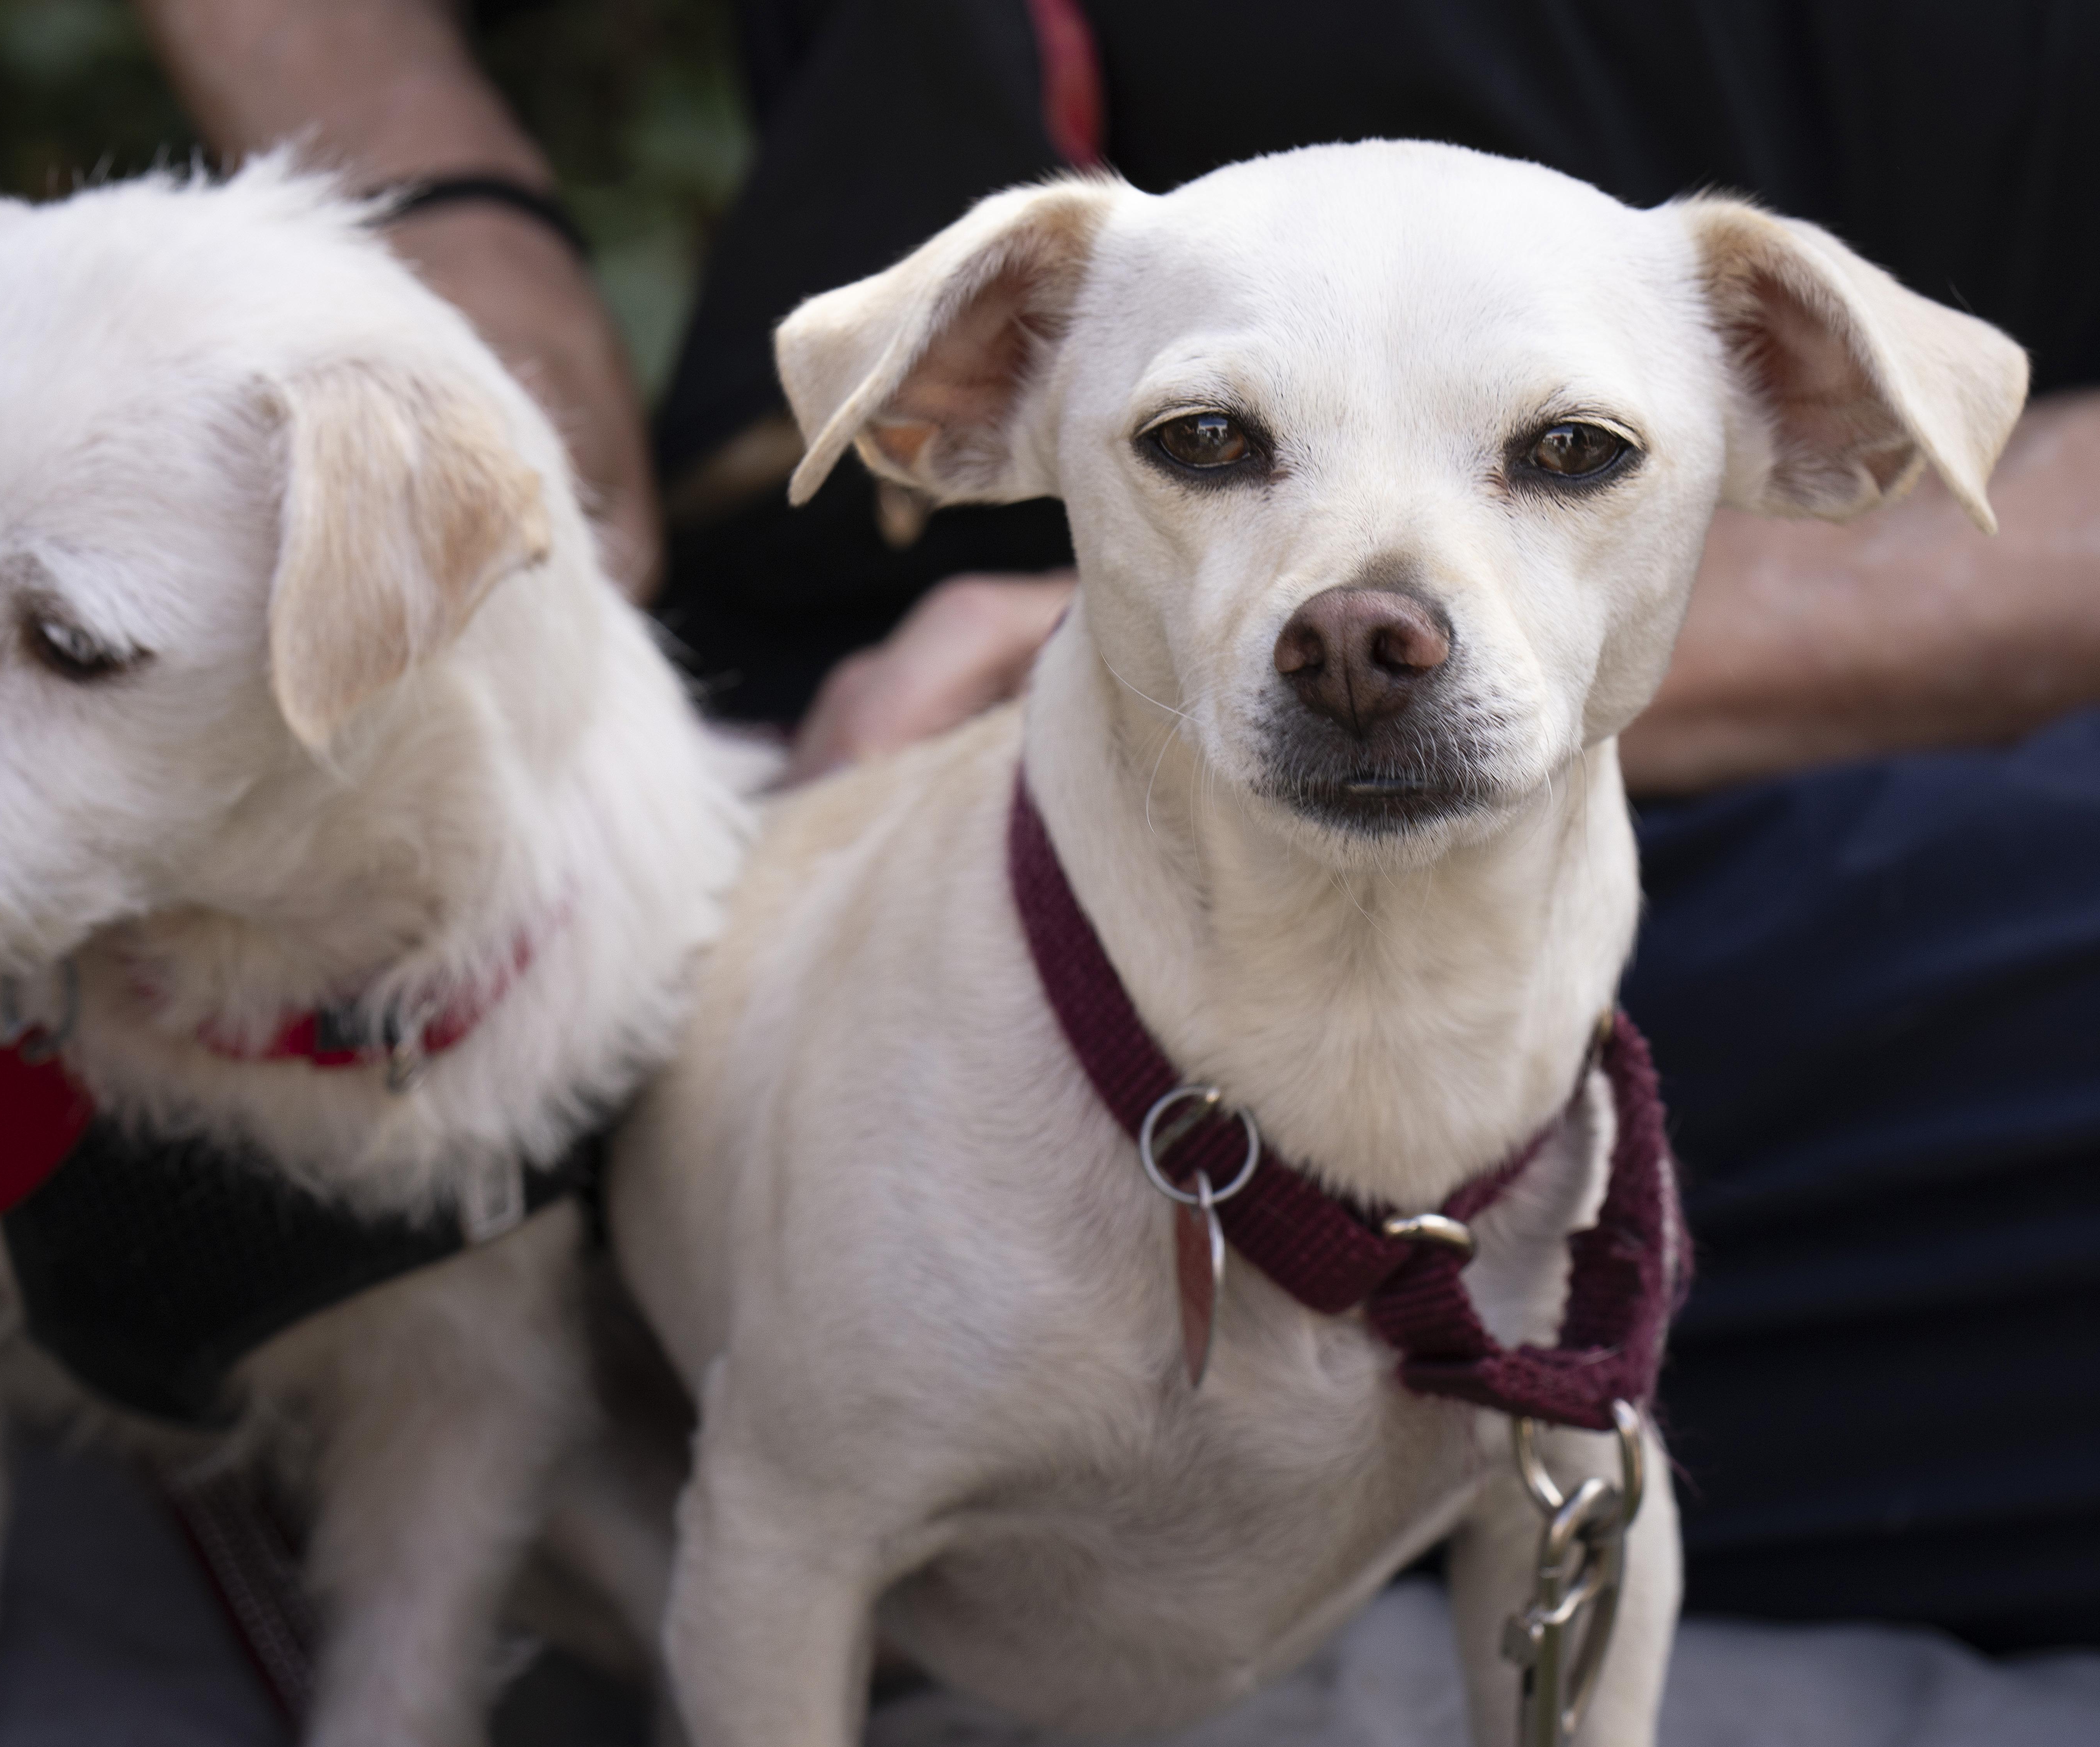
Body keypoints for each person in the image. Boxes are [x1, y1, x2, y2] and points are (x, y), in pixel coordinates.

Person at [137, 0, 2100, 1648]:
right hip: (883, 690)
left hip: (1845, 785)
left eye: (1572, 451)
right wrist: (451, 205)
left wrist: (1591, 646)